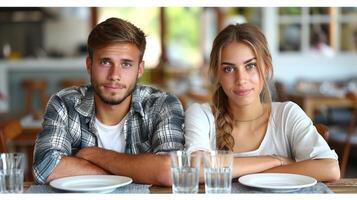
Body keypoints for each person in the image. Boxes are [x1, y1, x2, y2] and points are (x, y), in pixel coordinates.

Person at [33, 17, 185, 186]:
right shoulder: (64, 103)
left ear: (140, 69)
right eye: (105, 62)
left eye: (126, 64)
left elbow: (171, 171)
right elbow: (46, 167)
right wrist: (141, 172)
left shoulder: (162, 105)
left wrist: (95, 155)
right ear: (89, 64)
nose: (114, 75)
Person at [184, 23, 340, 181]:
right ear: (217, 73)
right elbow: (196, 170)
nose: (241, 79)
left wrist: (239, 174)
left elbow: (330, 169)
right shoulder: (201, 115)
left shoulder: (286, 115)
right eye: (229, 69)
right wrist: (276, 161)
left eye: (250, 66)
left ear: (265, 67)